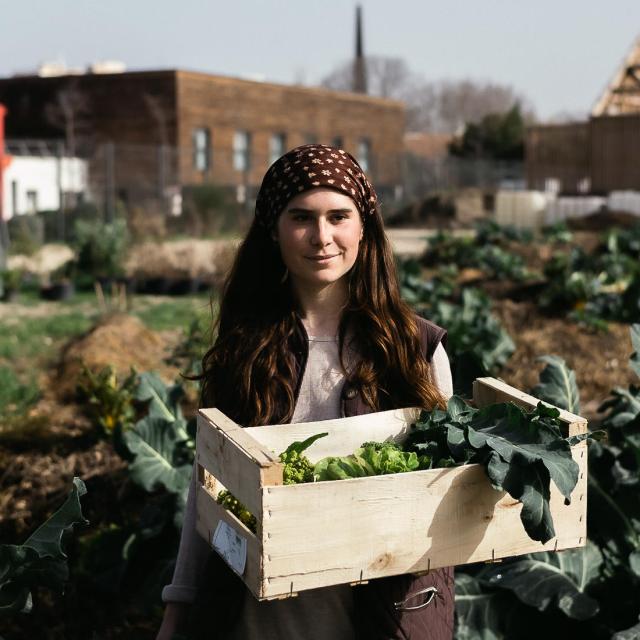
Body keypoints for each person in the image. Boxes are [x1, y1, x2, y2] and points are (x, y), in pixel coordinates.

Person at [157, 144, 455, 640]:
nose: (322, 237)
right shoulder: (243, 351)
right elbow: (205, 490)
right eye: (301, 218)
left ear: (364, 226)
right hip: (258, 622)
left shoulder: (414, 350)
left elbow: (443, 504)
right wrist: (178, 608)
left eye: (339, 216)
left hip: (385, 619)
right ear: (273, 230)